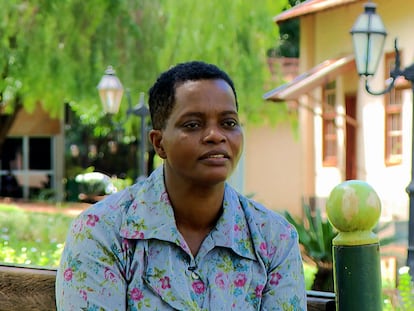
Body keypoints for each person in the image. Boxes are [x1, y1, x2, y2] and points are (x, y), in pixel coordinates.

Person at [56, 61, 307, 310]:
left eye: (228, 123)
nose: (215, 135)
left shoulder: (274, 239)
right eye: (193, 125)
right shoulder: (103, 232)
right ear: (159, 143)